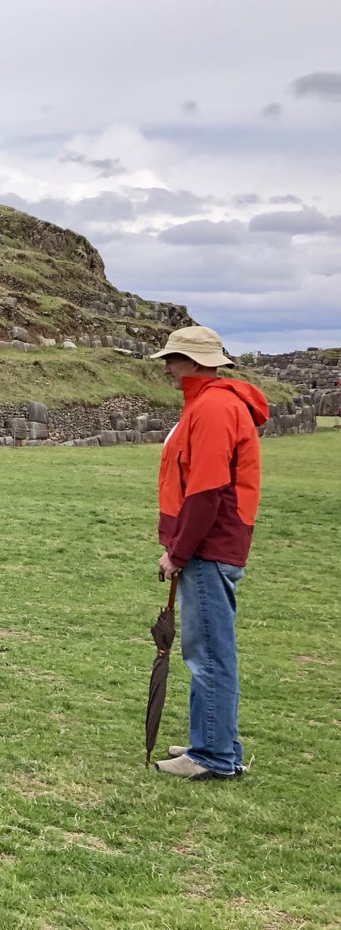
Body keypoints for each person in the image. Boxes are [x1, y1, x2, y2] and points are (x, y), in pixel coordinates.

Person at [150, 325, 268, 780]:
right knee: (208, 648)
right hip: (212, 543)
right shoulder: (209, 403)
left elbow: (207, 489)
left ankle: (213, 755)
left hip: (209, 545)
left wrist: (179, 551)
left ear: (197, 362)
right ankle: (214, 741)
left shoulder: (215, 407)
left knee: (209, 652)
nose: (167, 366)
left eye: (174, 358)